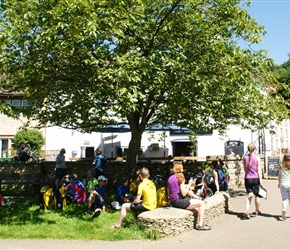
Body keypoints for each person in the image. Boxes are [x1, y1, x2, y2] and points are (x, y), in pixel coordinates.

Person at [167, 162, 211, 231]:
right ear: (181, 168)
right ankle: (200, 224)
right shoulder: (180, 177)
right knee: (201, 204)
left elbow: (169, 191)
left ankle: (197, 197)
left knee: (196, 206)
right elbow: (184, 193)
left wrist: (186, 187)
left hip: (173, 201)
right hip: (179, 201)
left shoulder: (170, 178)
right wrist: (189, 184)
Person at [243, 143, 262, 219]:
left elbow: (244, 168)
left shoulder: (244, 158)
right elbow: (259, 170)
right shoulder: (257, 158)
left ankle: (246, 210)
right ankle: (257, 210)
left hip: (247, 179)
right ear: (255, 149)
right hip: (255, 178)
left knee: (249, 195)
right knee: (257, 195)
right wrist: (260, 180)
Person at [278, 153, 290, 220]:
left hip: (283, 184)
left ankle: (284, 209)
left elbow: (279, 175)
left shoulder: (281, 166)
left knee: (285, 198)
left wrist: (279, 183)